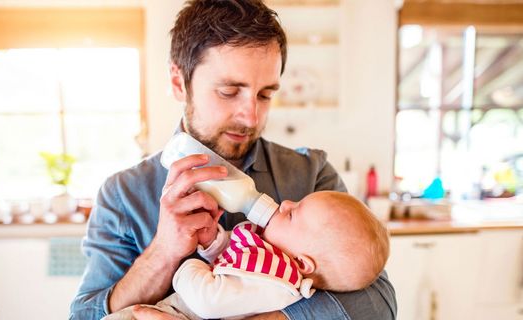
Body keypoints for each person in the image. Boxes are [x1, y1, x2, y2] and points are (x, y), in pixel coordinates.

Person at [69, 0, 397, 319]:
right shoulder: (124, 194)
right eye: (228, 91)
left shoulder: (310, 175)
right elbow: (83, 316)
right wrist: (163, 254)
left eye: (265, 94)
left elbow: (377, 303)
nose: (251, 117)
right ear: (177, 82)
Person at [103, 191, 390, 320]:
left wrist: (189, 265)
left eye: (292, 214)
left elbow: (209, 300)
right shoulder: (273, 258)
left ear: (302, 263)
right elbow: (235, 265)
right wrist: (214, 242)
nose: (286, 202)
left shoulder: (276, 284)